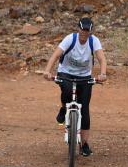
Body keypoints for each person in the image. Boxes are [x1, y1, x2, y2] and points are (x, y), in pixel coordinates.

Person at [43, 17, 107, 157]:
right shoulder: (70, 39)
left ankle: (84, 144)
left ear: (90, 32)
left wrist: (102, 73)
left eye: (87, 31)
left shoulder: (93, 41)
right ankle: (63, 108)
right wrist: (47, 71)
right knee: (66, 90)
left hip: (84, 76)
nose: (84, 34)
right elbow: (55, 55)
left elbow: (101, 58)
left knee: (84, 108)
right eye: (82, 30)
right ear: (78, 29)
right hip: (66, 73)